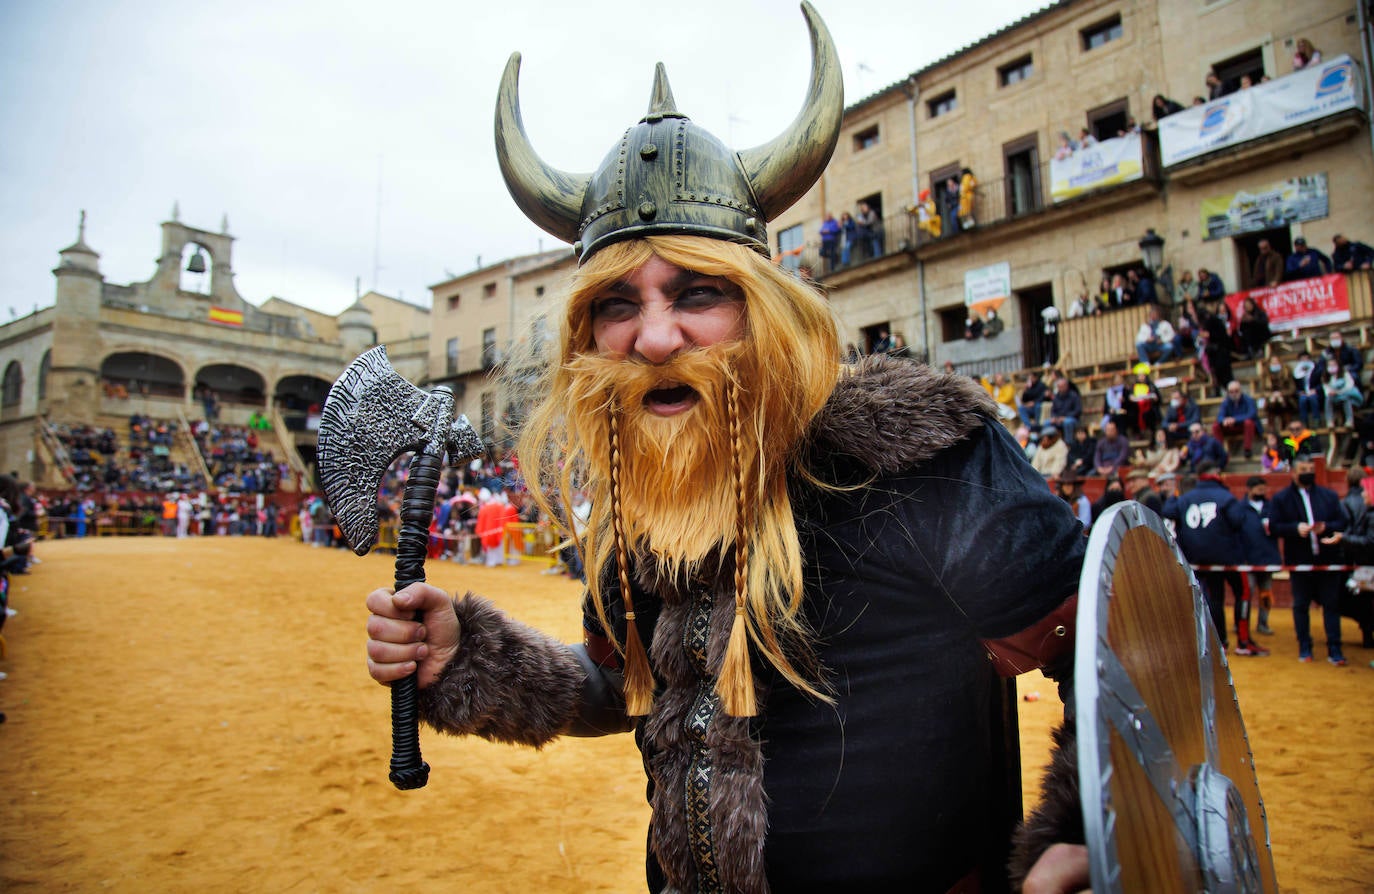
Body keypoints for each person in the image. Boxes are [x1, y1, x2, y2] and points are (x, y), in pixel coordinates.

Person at [367, 16, 1090, 891]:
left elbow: (1116, 649)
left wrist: (1082, 832)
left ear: (762, 306)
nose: (656, 337)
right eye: (617, 305)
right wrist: (468, 658)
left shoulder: (915, 455)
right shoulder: (634, 493)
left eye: (697, 293)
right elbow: (629, 692)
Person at [1164, 461, 1271, 655]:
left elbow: (1168, 511)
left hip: (1200, 558)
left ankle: (1220, 641)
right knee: (1243, 593)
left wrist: (1175, 495)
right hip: (1229, 557)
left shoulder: (1186, 499)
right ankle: (1243, 641)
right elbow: (1238, 521)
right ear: (1215, 473)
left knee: (1214, 598)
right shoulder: (1225, 497)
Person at [1269, 455, 1348, 665]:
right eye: (1304, 469)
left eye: (1311, 469)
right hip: (1299, 560)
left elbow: (1341, 521)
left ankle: (1335, 649)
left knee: (1331, 604)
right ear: (1294, 473)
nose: (1308, 473)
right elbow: (1274, 527)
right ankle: (1305, 647)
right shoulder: (1281, 498)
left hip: (1327, 559)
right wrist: (1295, 529)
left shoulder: (1329, 496)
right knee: (1301, 605)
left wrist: (1326, 527)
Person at [1322, 469, 1374, 650]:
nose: (1363, 495)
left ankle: (1367, 633)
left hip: (1360, 560)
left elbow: (1368, 540)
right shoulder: (1365, 509)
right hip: (1363, 561)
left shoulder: (1349, 504)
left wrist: (1343, 539)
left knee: (1363, 600)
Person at [1243, 476, 1281, 636]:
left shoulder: (1271, 507)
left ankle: (1263, 623)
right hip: (1248, 559)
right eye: (1259, 489)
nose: (1262, 492)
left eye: (1264, 489)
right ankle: (1243, 623)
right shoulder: (1240, 508)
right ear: (1249, 490)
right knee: (1247, 593)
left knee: (1266, 592)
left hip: (1267, 557)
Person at [1213, 380, 1261, 460]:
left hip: (1244, 426)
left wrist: (1235, 419)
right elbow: (1220, 416)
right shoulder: (1226, 402)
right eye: (1231, 392)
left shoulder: (1249, 400)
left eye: (1236, 391)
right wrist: (1225, 420)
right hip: (1231, 426)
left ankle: (1247, 449)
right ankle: (1219, 452)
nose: (1234, 393)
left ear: (1240, 390)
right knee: (1216, 426)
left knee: (1249, 423)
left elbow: (1252, 414)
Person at [1260, 356, 1297, 434]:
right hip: (1271, 398)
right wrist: (1272, 395)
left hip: (1285, 397)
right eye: (1273, 362)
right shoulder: (1265, 374)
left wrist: (1281, 394)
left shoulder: (1286, 372)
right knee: (1271, 404)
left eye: (1276, 361)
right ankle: (1271, 429)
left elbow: (1292, 388)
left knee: (1284, 403)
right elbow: (1263, 390)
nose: (1275, 363)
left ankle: (1287, 426)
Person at [1322, 359, 1361, 429]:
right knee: (1328, 399)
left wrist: (1338, 392)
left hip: (1346, 395)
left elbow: (1350, 386)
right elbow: (1326, 389)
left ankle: (1349, 421)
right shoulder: (1325, 377)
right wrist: (1331, 392)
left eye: (1333, 365)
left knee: (1346, 399)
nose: (1332, 366)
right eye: (1330, 365)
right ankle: (1330, 421)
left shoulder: (1344, 374)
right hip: (1333, 398)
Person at [1292, 350, 1324, 430]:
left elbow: (1322, 384)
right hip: (1303, 393)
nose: (1304, 360)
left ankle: (1316, 420)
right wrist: (1300, 392)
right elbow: (1294, 388)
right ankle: (1304, 422)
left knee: (1313, 398)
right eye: (1302, 359)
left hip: (1314, 392)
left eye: (1306, 358)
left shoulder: (1317, 370)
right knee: (1302, 400)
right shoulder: (1296, 372)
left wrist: (1315, 390)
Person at [1047, 375, 1081, 443]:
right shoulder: (1056, 397)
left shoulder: (1074, 396)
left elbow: (1078, 410)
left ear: (1066, 386)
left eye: (1062, 386)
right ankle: (1050, 443)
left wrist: (1065, 417)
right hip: (1058, 419)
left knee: (1067, 422)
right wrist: (1054, 418)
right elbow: (1053, 410)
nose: (1060, 388)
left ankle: (1069, 443)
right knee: (1046, 423)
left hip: (1072, 418)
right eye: (1059, 387)